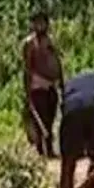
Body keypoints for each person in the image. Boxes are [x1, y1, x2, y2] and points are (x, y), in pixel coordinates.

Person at [22, 10, 63, 157]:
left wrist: (62, 84)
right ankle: (40, 151)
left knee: (51, 118)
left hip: (52, 85)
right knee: (41, 119)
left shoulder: (51, 40)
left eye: (43, 22)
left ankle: (50, 149)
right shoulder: (29, 43)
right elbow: (27, 69)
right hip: (37, 85)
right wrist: (27, 94)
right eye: (37, 22)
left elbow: (58, 62)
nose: (40, 25)